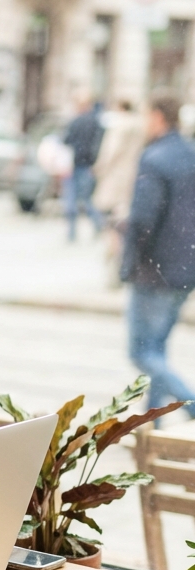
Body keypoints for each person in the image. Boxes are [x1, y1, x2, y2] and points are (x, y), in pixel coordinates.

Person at [121, 92, 195, 419]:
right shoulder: (191, 155)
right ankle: (154, 424)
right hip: (186, 269)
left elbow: (142, 220)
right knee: (158, 349)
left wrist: (127, 264)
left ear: (157, 118)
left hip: (155, 271)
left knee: (141, 352)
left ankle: (189, 402)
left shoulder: (154, 159)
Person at [93, 99, 145, 285]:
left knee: (112, 226)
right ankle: (124, 265)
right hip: (133, 178)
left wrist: (99, 168)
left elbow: (110, 152)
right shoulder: (141, 127)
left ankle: (115, 270)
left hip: (115, 179)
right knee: (124, 222)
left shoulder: (119, 126)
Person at [63, 93, 105, 242]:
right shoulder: (96, 122)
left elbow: (66, 140)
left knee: (72, 199)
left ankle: (72, 233)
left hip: (74, 164)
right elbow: (100, 144)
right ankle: (99, 224)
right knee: (87, 200)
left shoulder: (75, 121)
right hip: (88, 165)